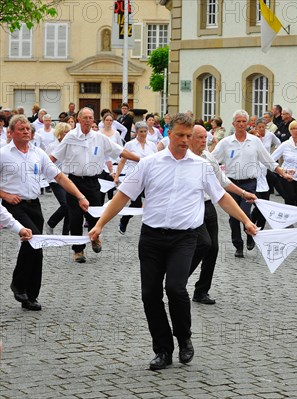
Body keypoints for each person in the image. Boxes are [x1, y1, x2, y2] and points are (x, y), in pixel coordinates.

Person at [88, 113, 258, 370]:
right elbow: (123, 196)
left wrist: (245, 220)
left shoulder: (201, 166)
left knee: (176, 288)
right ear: (169, 134)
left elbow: (222, 197)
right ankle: (163, 349)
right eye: (180, 135)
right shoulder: (150, 163)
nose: (185, 140)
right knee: (150, 295)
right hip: (152, 238)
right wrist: (100, 224)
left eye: (189, 136)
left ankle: (184, 338)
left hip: (184, 238)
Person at [1, 115, 90, 311]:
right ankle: (18, 284)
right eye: (21, 129)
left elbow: (59, 176)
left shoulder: (38, 153)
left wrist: (80, 196)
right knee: (32, 241)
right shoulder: (3, 154)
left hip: (35, 206)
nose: (26, 132)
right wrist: (4, 194)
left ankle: (30, 296)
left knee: (37, 247)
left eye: (28, 129)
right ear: (12, 132)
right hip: (15, 206)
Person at [50, 108, 140, 263]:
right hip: (74, 182)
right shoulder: (70, 137)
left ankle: (94, 237)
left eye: (90, 117)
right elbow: (54, 156)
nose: (88, 120)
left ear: (93, 120)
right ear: (78, 119)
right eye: (85, 117)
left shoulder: (99, 138)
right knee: (75, 218)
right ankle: (78, 251)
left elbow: (120, 151)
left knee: (95, 215)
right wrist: (37, 168)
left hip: (92, 182)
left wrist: (141, 160)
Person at [187, 124, 257, 305]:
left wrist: (243, 193)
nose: (204, 141)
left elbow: (223, 182)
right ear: (190, 138)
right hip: (191, 207)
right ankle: (178, 278)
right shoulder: (184, 158)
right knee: (204, 243)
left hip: (208, 206)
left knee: (213, 249)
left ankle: (201, 291)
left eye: (205, 138)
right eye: (200, 138)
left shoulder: (208, 157)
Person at [212, 110, 293, 258]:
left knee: (244, 211)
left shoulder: (254, 141)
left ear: (248, 123)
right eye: (238, 121)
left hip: (249, 183)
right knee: (233, 217)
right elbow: (211, 161)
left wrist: (283, 173)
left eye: (244, 121)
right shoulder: (226, 143)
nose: (241, 124)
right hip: (231, 184)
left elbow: (268, 160)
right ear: (233, 124)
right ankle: (238, 245)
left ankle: (249, 233)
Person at [114, 121, 158, 234]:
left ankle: (151, 226)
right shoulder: (130, 145)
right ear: (137, 132)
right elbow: (122, 161)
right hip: (134, 176)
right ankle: (124, 220)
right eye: (141, 131)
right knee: (136, 203)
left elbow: (157, 161)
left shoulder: (152, 145)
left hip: (149, 176)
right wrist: (117, 176)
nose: (143, 134)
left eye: (145, 131)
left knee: (153, 200)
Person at [45, 122, 72, 235]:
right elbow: (46, 162)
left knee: (70, 206)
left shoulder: (70, 145)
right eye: (66, 132)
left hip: (69, 179)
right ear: (60, 133)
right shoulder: (52, 146)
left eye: (69, 132)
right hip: (55, 179)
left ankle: (66, 233)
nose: (68, 134)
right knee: (65, 205)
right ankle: (51, 223)